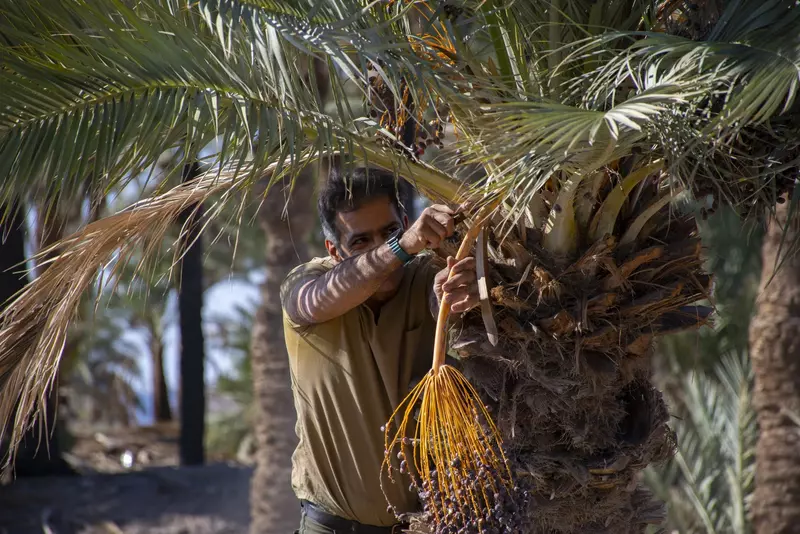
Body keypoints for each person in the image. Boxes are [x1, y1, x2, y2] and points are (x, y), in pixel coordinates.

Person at [281, 165, 480, 533]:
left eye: (390, 231)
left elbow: (442, 300)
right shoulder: (306, 284)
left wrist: (456, 297)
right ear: (334, 250)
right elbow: (314, 301)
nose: (379, 247)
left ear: (406, 220)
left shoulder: (424, 278)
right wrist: (401, 245)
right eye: (360, 240)